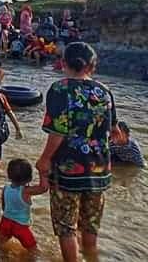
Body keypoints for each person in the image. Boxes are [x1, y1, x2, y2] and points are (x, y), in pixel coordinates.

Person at [37, 42, 120, 262]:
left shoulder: (60, 88)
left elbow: (58, 131)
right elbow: (114, 132)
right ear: (92, 65)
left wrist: (44, 160)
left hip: (68, 170)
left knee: (67, 228)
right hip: (99, 170)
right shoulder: (105, 91)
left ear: (63, 63)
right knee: (90, 226)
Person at [0, 159, 49, 252]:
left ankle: (2, 258)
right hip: (21, 227)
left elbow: (4, 207)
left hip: (5, 222)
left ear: (9, 176)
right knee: (33, 250)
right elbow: (43, 188)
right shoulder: (26, 191)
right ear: (29, 178)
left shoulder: (5, 188)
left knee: (2, 246)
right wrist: (43, 172)